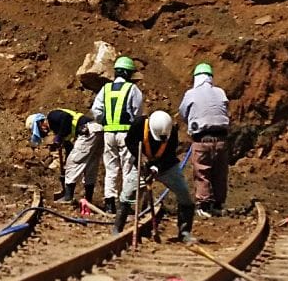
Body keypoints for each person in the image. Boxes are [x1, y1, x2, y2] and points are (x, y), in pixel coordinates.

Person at [90, 56, 143, 230]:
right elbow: (137, 113)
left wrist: (105, 120)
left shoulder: (106, 89)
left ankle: (110, 203)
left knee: (111, 168)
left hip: (108, 133)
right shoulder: (132, 89)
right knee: (128, 168)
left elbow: (96, 110)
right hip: (126, 133)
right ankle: (124, 204)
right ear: (128, 73)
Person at [177, 62, 230, 218]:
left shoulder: (191, 94)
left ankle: (204, 205)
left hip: (201, 139)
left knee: (202, 172)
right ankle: (219, 205)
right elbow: (225, 109)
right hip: (221, 140)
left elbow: (182, 112)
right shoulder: (220, 92)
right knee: (220, 173)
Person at [136, 110, 196, 243]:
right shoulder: (139, 126)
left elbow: (169, 154)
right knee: (129, 194)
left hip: (167, 166)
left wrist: (157, 166)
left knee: (184, 194)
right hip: (142, 164)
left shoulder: (172, 132)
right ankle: (120, 227)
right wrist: (140, 164)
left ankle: (184, 231)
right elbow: (131, 144)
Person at [26, 107, 100, 204]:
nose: (43, 132)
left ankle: (68, 197)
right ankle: (88, 200)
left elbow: (66, 117)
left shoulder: (52, 116)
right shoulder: (58, 127)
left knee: (72, 163)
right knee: (90, 166)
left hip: (88, 131)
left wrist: (59, 137)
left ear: (40, 122)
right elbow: (69, 146)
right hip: (96, 130)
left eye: (40, 129)